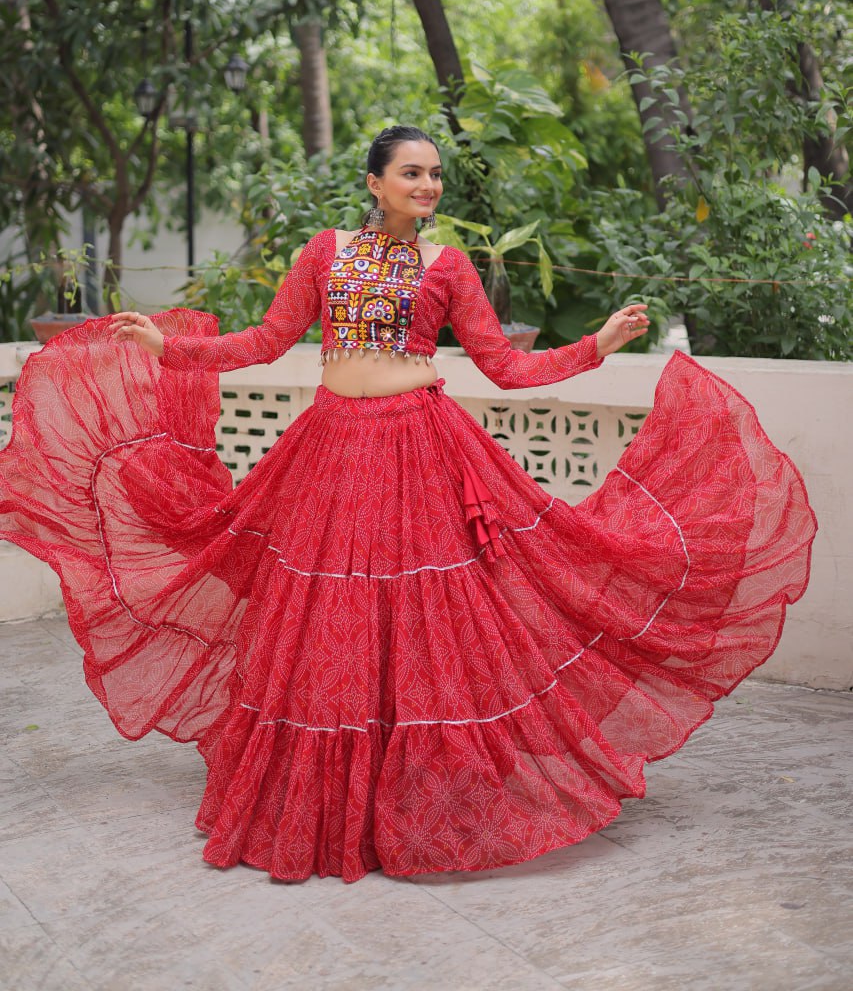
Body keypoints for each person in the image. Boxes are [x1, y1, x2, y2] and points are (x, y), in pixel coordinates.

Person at [0, 125, 816, 883]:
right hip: (332, 450)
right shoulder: (325, 252)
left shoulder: (448, 265)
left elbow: (502, 365)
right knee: (329, 623)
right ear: (375, 182)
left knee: (429, 621)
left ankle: (425, 793)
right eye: (411, 173)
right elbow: (263, 342)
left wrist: (592, 348)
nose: (427, 185)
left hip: (421, 446)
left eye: (433, 175)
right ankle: (330, 810)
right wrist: (165, 348)